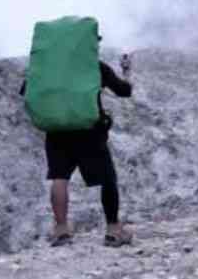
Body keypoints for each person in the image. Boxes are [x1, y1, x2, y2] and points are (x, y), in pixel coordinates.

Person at [20, 50, 134, 247]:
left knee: (59, 177)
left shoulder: (44, 67)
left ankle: (61, 230)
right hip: (89, 131)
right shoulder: (93, 65)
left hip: (57, 131)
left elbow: (26, 92)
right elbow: (124, 91)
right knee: (107, 178)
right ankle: (114, 230)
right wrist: (127, 74)